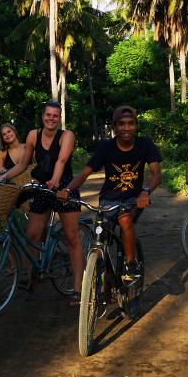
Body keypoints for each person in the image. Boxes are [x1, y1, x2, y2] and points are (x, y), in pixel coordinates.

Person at [61, 105, 162, 285]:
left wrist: (146, 191)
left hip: (133, 198)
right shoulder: (106, 148)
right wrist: (68, 190)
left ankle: (130, 265)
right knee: (102, 235)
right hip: (108, 199)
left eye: (130, 123)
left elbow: (156, 173)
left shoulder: (144, 144)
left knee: (125, 220)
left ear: (136, 126)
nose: (126, 128)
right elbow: (84, 173)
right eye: (121, 124)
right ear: (114, 127)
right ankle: (102, 275)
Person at [0, 101, 83, 301]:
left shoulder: (66, 136)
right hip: (42, 187)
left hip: (64, 188)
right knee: (32, 234)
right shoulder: (32, 135)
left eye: (55, 115)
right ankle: (32, 277)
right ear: (43, 116)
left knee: (71, 237)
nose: (51, 118)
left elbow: (61, 161)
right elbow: (23, 164)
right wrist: (2, 177)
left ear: (59, 118)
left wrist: (55, 181)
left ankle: (78, 288)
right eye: (48, 115)